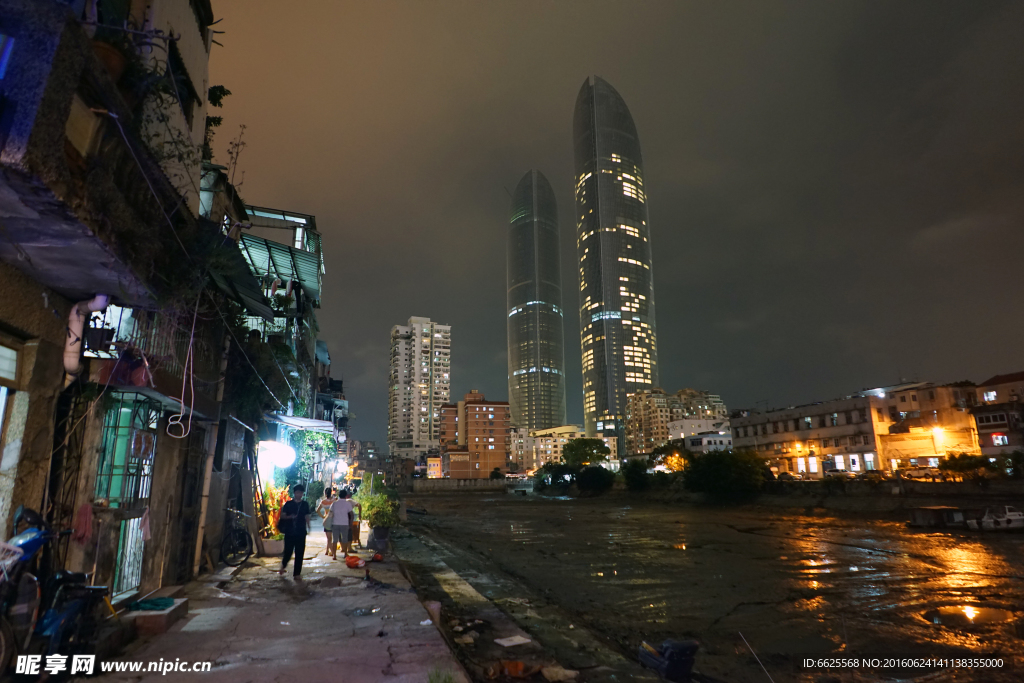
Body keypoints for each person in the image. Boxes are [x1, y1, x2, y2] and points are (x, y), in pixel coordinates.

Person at [278, 484, 311, 578]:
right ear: (294, 493)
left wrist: (308, 526)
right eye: (297, 492)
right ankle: (283, 565)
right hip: (289, 531)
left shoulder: (305, 504)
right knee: (288, 551)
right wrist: (290, 517)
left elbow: (307, 515)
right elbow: (282, 516)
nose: (299, 494)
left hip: (301, 531)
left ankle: (297, 573)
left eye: (301, 492)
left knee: (300, 553)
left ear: (302, 493)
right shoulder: (288, 504)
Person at [330, 490, 361, 559]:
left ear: (339, 495)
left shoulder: (334, 503)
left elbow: (330, 513)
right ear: (345, 495)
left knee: (334, 540)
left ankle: (334, 555)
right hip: (345, 524)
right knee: (345, 539)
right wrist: (350, 523)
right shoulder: (348, 504)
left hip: (335, 523)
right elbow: (351, 514)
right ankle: (345, 554)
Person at [316, 487, 335, 555]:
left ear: (325, 493)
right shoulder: (335, 500)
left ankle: (329, 551)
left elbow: (317, 510)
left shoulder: (323, 502)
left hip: (327, 520)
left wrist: (323, 516)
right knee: (330, 537)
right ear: (331, 492)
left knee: (328, 537)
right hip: (334, 520)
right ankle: (330, 552)